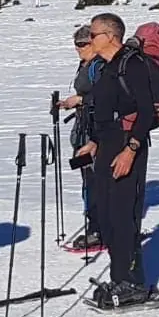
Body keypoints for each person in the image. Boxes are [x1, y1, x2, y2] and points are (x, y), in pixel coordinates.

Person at [76, 13, 159, 310]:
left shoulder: (133, 64)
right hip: (106, 147)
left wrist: (130, 149)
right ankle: (122, 278)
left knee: (123, 215)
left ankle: (131, 283)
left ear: (111, 36)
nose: (89, 40)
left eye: (93, 34)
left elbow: (145, 111)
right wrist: (94, 142)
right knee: (105, 214)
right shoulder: (106, 68)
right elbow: (105, 113)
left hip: (128, 146)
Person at [59, 24, 105, 254]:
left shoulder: (101, 65)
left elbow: (106, 96)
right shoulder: (86, 64)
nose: (77, 48)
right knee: (86, 176)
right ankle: (94, 222)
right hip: (81, 128)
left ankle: (99, 227)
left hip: (95, 131)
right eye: (75, 44)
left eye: (82, 44)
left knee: (95, 178)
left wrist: (79, 100)